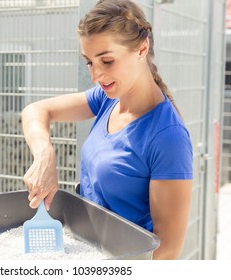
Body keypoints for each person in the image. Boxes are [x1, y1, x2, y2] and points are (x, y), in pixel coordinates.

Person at [21, 0, 193, 260]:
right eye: (89, 62)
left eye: (107, 61)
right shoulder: (108, 98)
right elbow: (35, 111)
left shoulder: (168, 138)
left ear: (141, 49)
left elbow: (166, 252)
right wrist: (45, 155)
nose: (95, 75)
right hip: (86, 253)